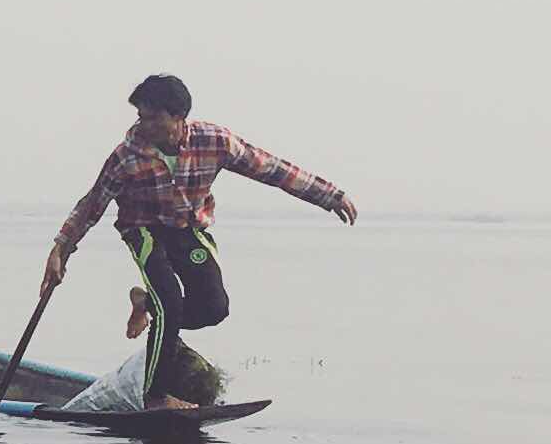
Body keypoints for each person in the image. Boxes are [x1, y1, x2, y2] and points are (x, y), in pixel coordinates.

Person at [43, 73, 356, 409]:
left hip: (188, 229)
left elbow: (270, 168)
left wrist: (329, 195)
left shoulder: (214, 141)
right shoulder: (126, 157)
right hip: (143, 230)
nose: (144, 125)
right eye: (141, 117)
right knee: (169, 302)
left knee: (214, 308)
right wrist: (61, 249)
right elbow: (92, 205)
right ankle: (155, 397)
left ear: (178, 116)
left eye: (154, 118)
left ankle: (146, 303)